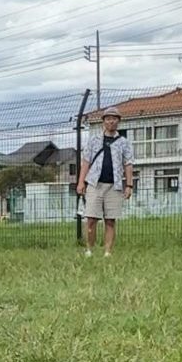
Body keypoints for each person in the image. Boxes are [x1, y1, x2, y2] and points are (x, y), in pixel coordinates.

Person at [76, 107, 134, 257]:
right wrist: (81, 182)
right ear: (103, 121)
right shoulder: (94, 140)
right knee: (91, 219)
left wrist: (129, 185)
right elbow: (86, 162)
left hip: (114, 185)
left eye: (114, 118)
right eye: (108, 118)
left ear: (118, 122)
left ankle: (108, 252)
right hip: (95, 184)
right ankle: (89, 249)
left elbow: (128, 163)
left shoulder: (123, 142)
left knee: (110, 220)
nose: (111, 121)